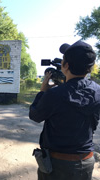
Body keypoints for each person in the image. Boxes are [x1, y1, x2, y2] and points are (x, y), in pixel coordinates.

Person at [29, 40, 100, 180]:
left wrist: (42, 92)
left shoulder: (55, 94)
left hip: (56, 165)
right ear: (90, 67)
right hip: (86, 162)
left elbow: (35, 115)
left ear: (65, 65)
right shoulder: (98, 91)